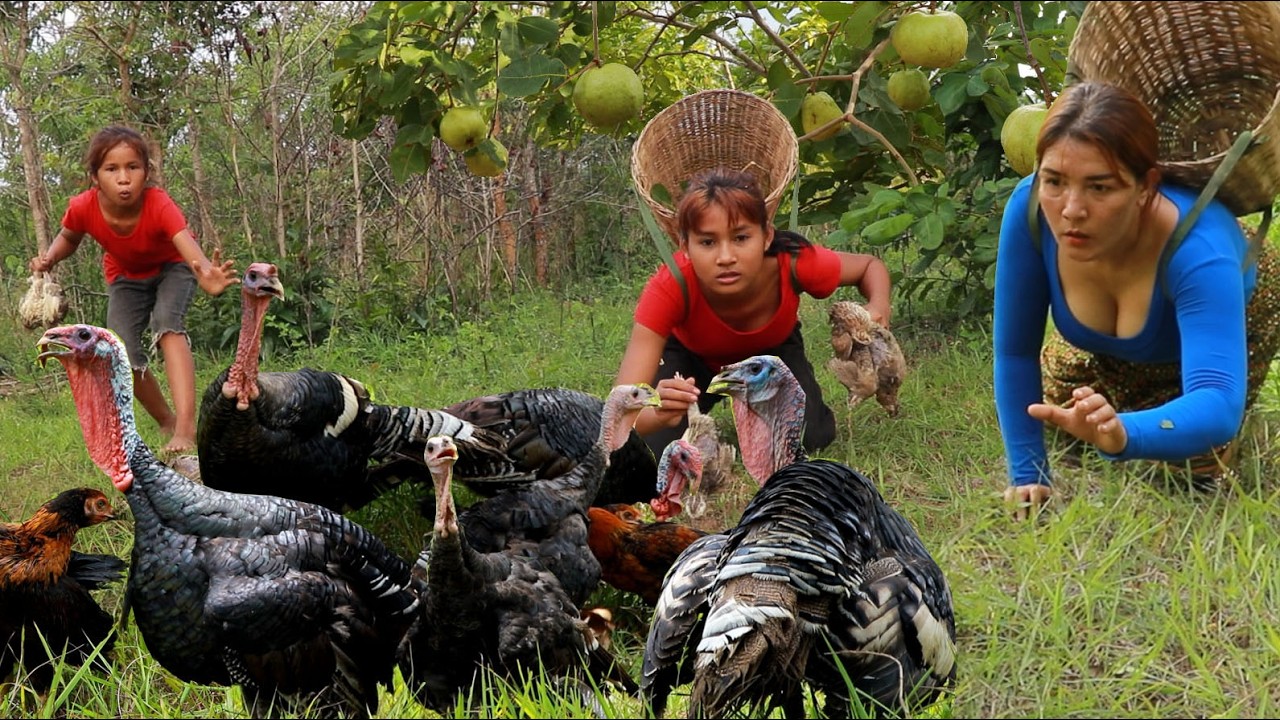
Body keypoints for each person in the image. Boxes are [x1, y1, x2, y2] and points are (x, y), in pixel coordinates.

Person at [993, 81, 1280, 520]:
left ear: (1146, 187)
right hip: (1109, 343)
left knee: (1191, 468)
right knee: (1067, 412)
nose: (1071, 209)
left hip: (1221, 318)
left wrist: (1123, 434)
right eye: (1054, 181)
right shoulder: (1030, 210)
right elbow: (1015, 353)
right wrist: (1028, 472)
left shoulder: (1201, 253)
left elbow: (1217, 400)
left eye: (1100, 187)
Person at [616, 167, 893, 458]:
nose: (726, 257)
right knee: (649, 450)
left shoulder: (794, 263)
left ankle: (761, 406)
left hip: (773, 358)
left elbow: (868, 267)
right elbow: (619, 412)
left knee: (810, 437)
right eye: (707, 242)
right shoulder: (670, 287)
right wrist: (658, 413)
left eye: (741, 238)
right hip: (692, 363)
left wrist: (878, 305)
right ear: (685, 247)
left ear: (766, 237)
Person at [29, 125, 239, 454]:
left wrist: (206, 273)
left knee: (167, 323)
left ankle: (185, 428)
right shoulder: (84, 206)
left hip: (174, 267)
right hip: (126, 276)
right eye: (112, 169)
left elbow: (184, 242)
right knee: (121, 347)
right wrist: (50, 258)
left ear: (146, 172)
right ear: (96, 176)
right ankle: (166, 421)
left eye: (133, 167)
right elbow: (69, 236)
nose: (124, 178)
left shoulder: (159, 204)